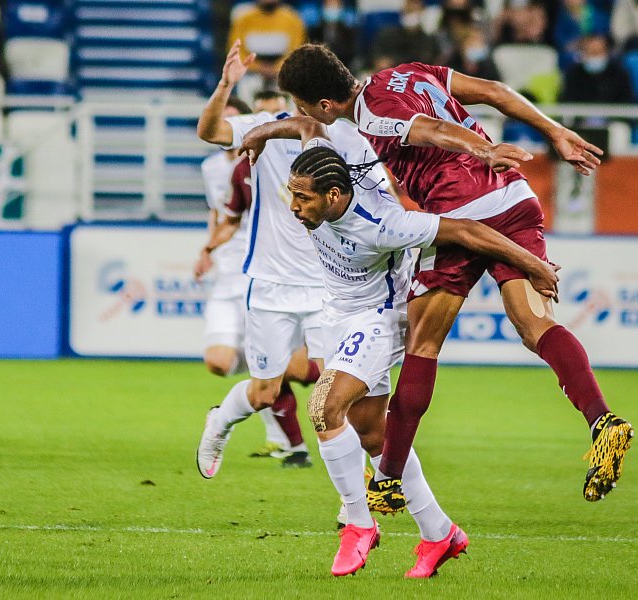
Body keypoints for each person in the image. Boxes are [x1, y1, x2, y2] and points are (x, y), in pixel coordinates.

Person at [274, 44, 633, 511]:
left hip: (462, 210)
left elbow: (435, 130)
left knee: (422, 343)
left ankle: (388, 478)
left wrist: (485, 149)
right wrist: (556, 131)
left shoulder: (373, 115)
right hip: (514, 199)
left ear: (325, 104)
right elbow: (493, 91)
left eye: (304, 106)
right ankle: (602, 420)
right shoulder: (407, 72)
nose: (305, 114)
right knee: (535, 324)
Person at [263, 136, 557, 576]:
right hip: (336, 317)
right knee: (372, 435)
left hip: (379, 319)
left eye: (302, 198)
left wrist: (533, 264)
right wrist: (261, 134)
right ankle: (440, 533)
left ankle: (358, 525)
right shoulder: (329, 173)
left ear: (334, 195)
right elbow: (312, 123)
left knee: (324, 408)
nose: (294, 206)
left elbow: (468, 231)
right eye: (293, 195)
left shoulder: (384, 223)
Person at [195, 39, 395, 478]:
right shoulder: (267, 126)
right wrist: (226, 86)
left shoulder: (351, 138)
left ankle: (360, 493)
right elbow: (209, 132)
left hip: (330, 287)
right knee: (265, 392)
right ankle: (220, 421)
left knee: (337, 390)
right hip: (270, 282)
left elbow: (382, 197)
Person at [195, 96, 296, 459]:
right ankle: (262, 373)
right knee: (221, 364)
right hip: (236, 272)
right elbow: (221, 215)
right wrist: (208, 249)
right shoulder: (220, 169)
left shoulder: (277, 156)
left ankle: (286, 441)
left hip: (274, 274)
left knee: (304, 371)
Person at [228, 0, 306, 88]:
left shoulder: (293, 19)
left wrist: (276, 68)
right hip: (251, 76)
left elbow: (297, 51)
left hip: (282, 74)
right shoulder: (243, 19)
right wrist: (259, 68)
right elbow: (236, 52)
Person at [561, 34, 633, 104]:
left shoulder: (619, 74)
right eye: (592, 53)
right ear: (584, 53)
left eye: (599, 52)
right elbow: (568, 98)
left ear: (607, 52)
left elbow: (626, 100)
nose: (595, 57)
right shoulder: (573, 74)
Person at [370, 0, 440, 67]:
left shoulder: (428, 41)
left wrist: (393, 61)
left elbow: (427, 61)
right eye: (409, 8)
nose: (412, 9)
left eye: (416, 6)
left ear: (422, 11)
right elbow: (377, 58)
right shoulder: (387, 34)